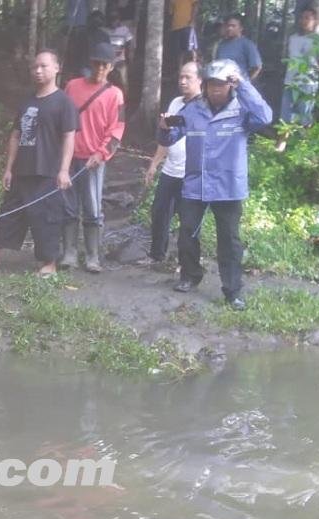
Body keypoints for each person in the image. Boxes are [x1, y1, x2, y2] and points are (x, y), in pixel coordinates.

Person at [158, 59, 272, 310]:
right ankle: (189, 276)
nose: (215, 90)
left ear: (230, 86)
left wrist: (243, 85)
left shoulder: (243, 110)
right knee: (188, 232)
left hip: (228, 186)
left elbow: (265, 116)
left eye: (221, 85)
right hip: (195, 183)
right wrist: (165, 128)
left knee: (229, 240)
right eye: (211, 85)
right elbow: (170, 137)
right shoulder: (193, 109)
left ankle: (232, 291)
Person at [0, 50, 78, 276]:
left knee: (46, 217)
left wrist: (64, 170)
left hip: (48, 170)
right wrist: (9, 168)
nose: (38, 70)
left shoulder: (64, 102)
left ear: (57, 68)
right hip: (22, 169)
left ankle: (49, 263)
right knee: (10, 211)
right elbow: (16, 135)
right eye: (34, 67)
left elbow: (69, 137)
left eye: (43, 66)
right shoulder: (27, 101)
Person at [61, 42, 125, 273]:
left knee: (93, 208)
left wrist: (101, 154)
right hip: (68, 157)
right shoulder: (72, 86)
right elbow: (63, 117)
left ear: (111, 68)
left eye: (104, 65)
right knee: (68, 207)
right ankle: (68, 253)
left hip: (93, 161)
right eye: (97, 63)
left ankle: (92, 256)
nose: (100, 68)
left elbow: (117, 129)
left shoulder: (115, 95)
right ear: (90, 63)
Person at [143, 62, 202, 264]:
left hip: (191, 173)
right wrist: (154, 163)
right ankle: (157, 255)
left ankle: (185, 263)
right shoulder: (176, 102)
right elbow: (166, 139)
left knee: (188, 221)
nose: (183, 81)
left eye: (189, 77)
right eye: (181, 77)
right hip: (170, 171)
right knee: (159, 213)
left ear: (200, 80)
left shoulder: (204, 106)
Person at [280, 7, 319, 127]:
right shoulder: (293, 38)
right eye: (302, 17)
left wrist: (312, 70)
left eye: (307, 18)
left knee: (304, 117)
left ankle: (303, 144)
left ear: (314, 20)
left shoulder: (318, 39)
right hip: (290, 82)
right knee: (285, 118)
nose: (304, 20)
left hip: (308, 83)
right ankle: (283, 144)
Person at [214, 15, 263, 80]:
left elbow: (257, 67)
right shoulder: (221, 45)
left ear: (241, 28)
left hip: (240, 84)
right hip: (222, 83)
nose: (229, 28)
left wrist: (245, 81)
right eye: (228, 26)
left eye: (233, 26)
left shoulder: (247, 44)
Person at [103, 11, 133, 93]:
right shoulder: (104, 30)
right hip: (107, 60)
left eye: (115, 19)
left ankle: (124, 101)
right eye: (111, 20)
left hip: (120, 60)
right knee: (106, 81)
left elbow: (129, 43)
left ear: (118, 20)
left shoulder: (124, 30)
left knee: (123, 82)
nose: (113, 22)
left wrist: (128, 56)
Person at [170, 0, 200, 66]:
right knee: (179, 51)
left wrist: (192, 20)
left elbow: (196, 4)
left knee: (191, 49)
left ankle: (195, 69)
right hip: (176, 26)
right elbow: (171, 12)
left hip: (187, 25)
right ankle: (180, 71)